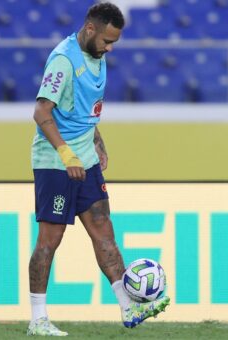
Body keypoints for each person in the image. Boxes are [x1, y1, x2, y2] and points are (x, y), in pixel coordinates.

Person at [27, 2, 170, 337]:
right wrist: (67, 155)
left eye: (114, 43)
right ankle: (38, 319)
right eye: (107, 41)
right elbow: (41, 111)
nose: (109, 48)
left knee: (104, 228)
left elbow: (83, 111)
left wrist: (97, 142)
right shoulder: (63, 60)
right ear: (90, 28)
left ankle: (128, 308)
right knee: (51, 238)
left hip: (85, 160)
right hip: (56, 164)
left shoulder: (97, 56)